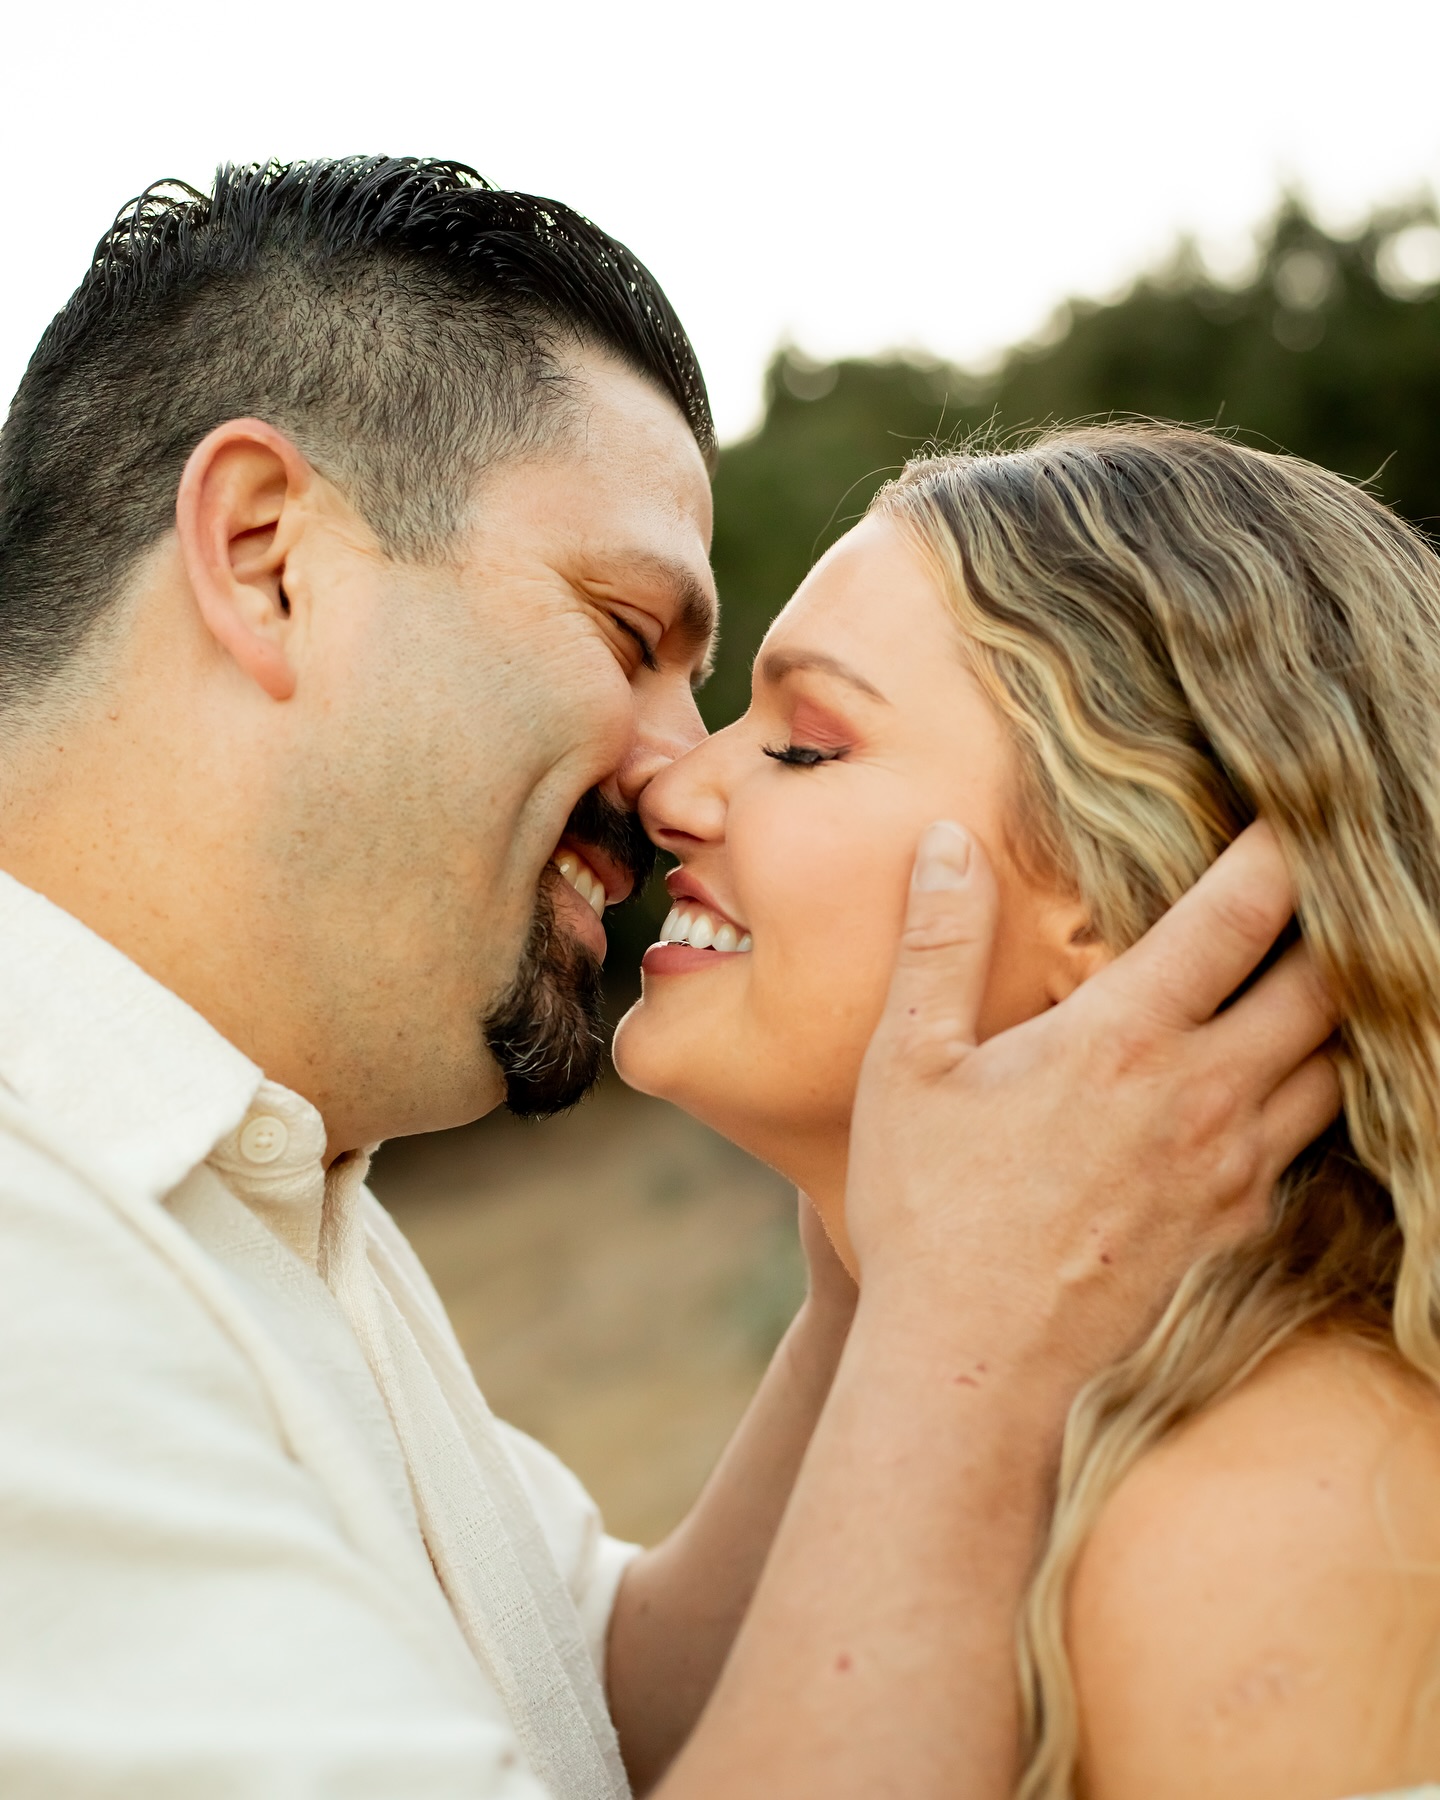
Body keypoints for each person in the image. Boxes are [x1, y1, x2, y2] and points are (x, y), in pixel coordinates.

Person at [0, 158, 1336, 1800]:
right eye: (631, 634)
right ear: (269, 554)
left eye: (794, 733)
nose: (676, 775)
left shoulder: (247, 1185)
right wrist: (967, 1344)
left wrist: (877, 1289)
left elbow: (594, 1704)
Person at [613, 421, 1440, 1799]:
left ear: (1122, 914)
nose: (675, 786)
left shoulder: (1252, 1539)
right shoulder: (1097, 1447)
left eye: (808, 747)